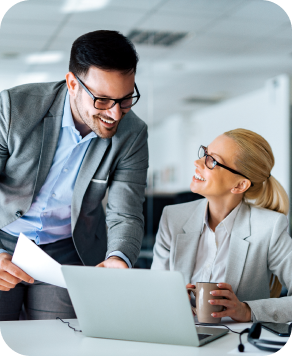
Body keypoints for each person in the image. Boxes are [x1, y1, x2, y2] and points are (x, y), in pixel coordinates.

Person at [0, 30, 148, 320]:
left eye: (126, 99)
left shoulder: (133, 133)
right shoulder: (13, 108)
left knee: (60, 339)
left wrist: (118, 257)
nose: (116, 114)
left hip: (67, 251)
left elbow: (126, 213)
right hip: (3, 239)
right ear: (72, 84)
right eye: (103, 100)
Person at [151, 128, 292, 323]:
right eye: (205, 153)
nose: (198, 162)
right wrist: (168, 299)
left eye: (212, 161)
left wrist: (247, 310)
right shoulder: (173, 218)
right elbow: (153, 290)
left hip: (236, 345)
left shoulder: (269, 228)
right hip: (178, 335)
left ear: (240, 185)